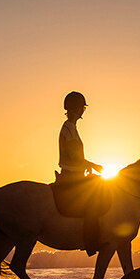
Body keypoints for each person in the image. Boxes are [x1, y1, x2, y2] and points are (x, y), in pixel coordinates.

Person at [57, 91, 105, 256]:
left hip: (78, 175)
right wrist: (93, 165)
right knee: (94, 201)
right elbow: (74, 156)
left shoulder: (72, 128)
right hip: (72, 177)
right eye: (83, 107)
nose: (84, 110)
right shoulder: (68, 128)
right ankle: (91, 241)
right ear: (77, 108)